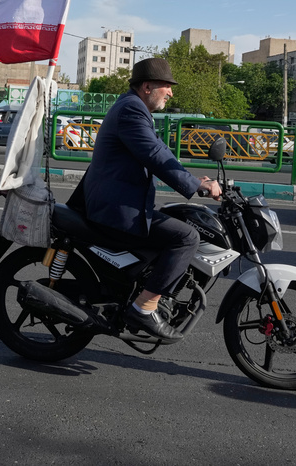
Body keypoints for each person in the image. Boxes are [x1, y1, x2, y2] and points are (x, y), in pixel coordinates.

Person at [68, 57, 222, 342]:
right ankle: (143, 307)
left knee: (176, 221)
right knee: (187, 237)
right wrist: (193, 186)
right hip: (115, 208)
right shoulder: (130, 110)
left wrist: (194, 180)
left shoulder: (134, 108)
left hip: (117, 200)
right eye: (167, 86)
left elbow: (159, 150)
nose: (171, 93)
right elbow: (154, 155)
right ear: (148, 86)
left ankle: (141, 291)